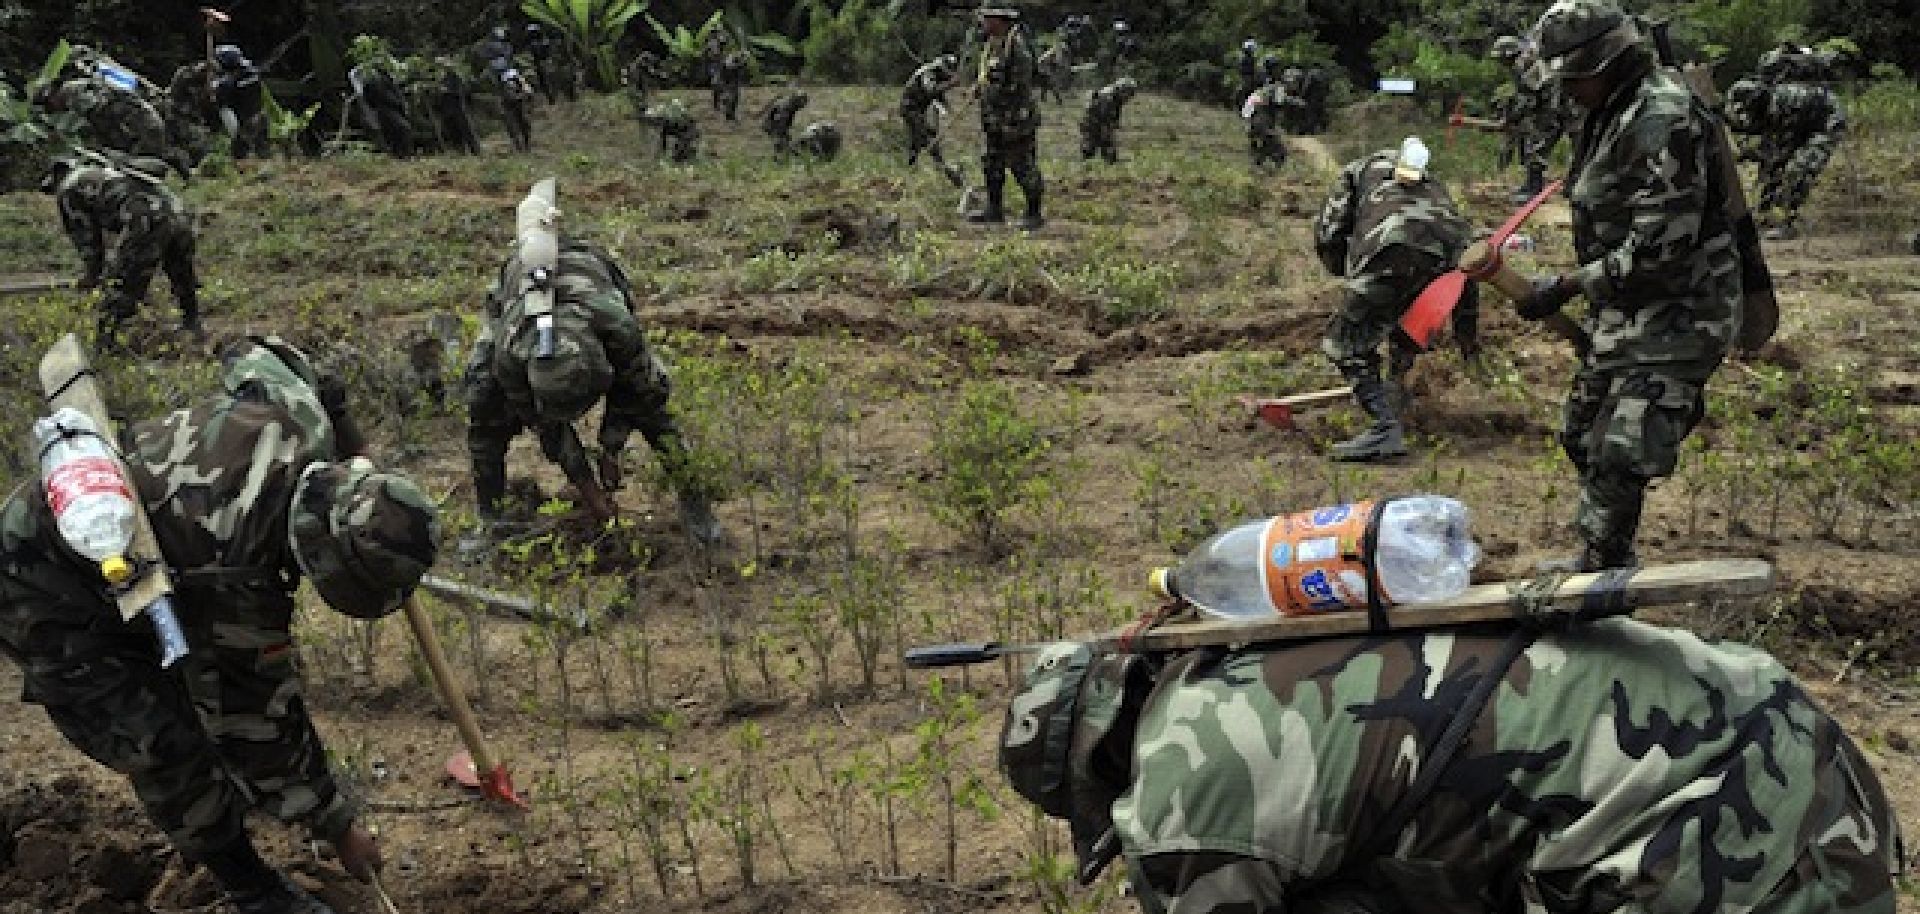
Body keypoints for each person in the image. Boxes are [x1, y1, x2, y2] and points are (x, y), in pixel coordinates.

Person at [998, 615, 1903, 914]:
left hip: (1722, 831)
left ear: (1091, 771)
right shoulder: (1238, 656)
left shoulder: (1182, 799)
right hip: (1800, 747)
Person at [0, 336, 441, 914]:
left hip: (135, 550)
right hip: (37, 583)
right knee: (163, 741)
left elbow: (258, 350)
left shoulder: (298, 414)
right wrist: (338, 826)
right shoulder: (237, 577)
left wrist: (346, 432)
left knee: (194, 690)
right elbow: (258, 726)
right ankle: (250, 887)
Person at [1515, 0, 1739, 571]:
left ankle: (1600, 571)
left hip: (1682, 308)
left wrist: (1566, 285)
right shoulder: (1610, 108)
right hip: (1626, 305)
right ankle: (1610, 545)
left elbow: (1660, 251)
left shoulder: (1661, 119)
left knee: (1620, 449)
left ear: (1609, 62)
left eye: (1575, 77)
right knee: (1581, 433)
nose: (1567, 91)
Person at [464, 230, 722, 545]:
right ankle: (491, 519)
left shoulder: (617, 328)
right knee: (483, 399)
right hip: (516, 290)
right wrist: (588, 488)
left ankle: (697, 506)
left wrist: (610, 447)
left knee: (653, 414)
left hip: (594, 272)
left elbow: (643, 391)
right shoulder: (511, 353)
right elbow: (546, 425)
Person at [1312, 138, 1476, 462]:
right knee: (1407, 326)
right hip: (1446, 265)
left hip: (1390, 251)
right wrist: (1466, 333)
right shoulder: (1435, 186)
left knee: (1342, 343)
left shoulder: (1356, 171)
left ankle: (1384, 426)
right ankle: (1395, 393)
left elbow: (1329, 233)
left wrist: (1346, 274)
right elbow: (1469, 262)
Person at [47, 152, 203, 349]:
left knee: (123, 280)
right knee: (181, 271)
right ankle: (192, 321)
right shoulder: (106, 173)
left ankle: (106, 341)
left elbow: (87, 238)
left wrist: (93, 273)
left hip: (147, 217)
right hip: (178, 212)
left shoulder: (69, 189)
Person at [1725, 77, 1845, 240]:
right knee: (1769, 169)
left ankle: (1787, 223)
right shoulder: (1767, 106)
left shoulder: (1784, 106)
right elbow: (1756, 131)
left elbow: (1781, 154)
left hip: (1827, 124)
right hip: (1805, 125)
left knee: (1798, 169)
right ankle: (1765, 215)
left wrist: (1753, 154)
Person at [969, 7, 1046, 231]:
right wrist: (983, 88)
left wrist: (992, 90)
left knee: (1022, 164)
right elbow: (990, 75)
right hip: (995, 118)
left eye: (987, 18)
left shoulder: (1017, 46)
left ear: (999, 20)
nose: (983, 22)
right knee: (992, 163)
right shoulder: (994, 44)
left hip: (1015, 119)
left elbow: (1019, 86)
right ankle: (994, 210)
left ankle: (1034, 213)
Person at [1490, 34, 1568, 203]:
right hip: (1543, 108)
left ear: (1509, 54)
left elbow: (1529, 98)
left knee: (1536, 147)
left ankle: (1534, 189)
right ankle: (1530, 185)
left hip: (1551, 110)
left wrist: (1512, 117)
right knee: (1528, 143)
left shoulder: (1528, 66)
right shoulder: (1526, 62)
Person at [901, 54, 964, 185]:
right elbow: (931, 91)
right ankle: (948, 172)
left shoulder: (937, 74)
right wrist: (950, 84)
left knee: (917, 141)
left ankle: (910, 170)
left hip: (918, 110)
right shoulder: (929, 72)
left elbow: (938, 96)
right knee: (928, 140)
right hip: (910, 108)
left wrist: (948, 109)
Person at [211, 44, 267, 160]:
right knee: (262, 152)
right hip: (260, 117)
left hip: (243, 124)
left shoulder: (227, 83)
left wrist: (214, 87)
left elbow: (219, 101)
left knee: (241, 156)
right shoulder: (253, 72)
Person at [430, 57, 481, 156]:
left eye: (441, 65)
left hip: (458, 108)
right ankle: (461, 152)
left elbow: (462, 91)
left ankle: (475, 151)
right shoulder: (436, 80)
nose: (439, 68)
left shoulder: (454, 77)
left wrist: (447, 91)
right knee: (453, 131)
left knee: (466, 130)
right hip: (446, 110)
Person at [1079, 77, 1138, 163]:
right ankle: (1088, 160)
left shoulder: (1116, 95)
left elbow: (1116, 110)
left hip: (1099, 119)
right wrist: (1107, 128)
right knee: (1091, 145)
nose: (1129, 96)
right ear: (1122, 89)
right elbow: (1103, 115)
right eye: (1129, 92)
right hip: (1093, 120)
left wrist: (1114, 123)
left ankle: (1107, 160)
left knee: (1107, 146)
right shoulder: (1107, 97)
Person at [523, 23, 578, 104]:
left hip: (547, 61)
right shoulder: (539, 42)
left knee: (557, 77)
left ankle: (555, 96)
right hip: (545, 62)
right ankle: (552, 96)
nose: (533, 35)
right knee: (545, 79)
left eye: (534, 33)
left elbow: (550, 51)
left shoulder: (543, 42)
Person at [1242, 80, 1289, 171]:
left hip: (1255, 125)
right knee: (1277, 147)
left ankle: (1258, 162)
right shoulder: (1260, 99)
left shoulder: (1262, 95)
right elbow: (1249, 115)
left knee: (1267, 144)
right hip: (1258, 126)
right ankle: (1261, 162)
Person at [643, 98, 700, 162]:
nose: (652, 124)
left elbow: (689, 126)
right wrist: (661, 154)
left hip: (688, 130)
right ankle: (685, 155)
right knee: (678, 152)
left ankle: (688, 156)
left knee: (680, 151)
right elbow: (663, 140)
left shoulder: (667, 119)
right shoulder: (664, 122)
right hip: (684, 131)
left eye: (652, 121)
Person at [762, 90, 809, 155]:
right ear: (797, 100)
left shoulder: (791, 103)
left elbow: (788, 120)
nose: (803, 105)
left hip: (774, 121)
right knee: (781, 141)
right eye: (802, 102)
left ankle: (782, 152)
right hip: (771, 123)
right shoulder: (787, 106)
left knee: (785, 140)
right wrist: (784, 135)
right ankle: (778, 155)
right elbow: (781, 123)